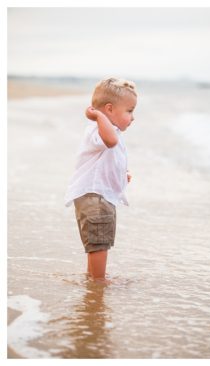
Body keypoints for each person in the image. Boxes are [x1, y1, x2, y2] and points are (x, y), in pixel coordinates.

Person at [64, 77, 137, 282]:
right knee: (99, 243)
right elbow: (110, 142)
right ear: (110, 110)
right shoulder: (100, 129)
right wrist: (97, 116)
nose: (133, 117)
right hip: (94, 196)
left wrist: (122, 175)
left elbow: (108, 158)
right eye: (129, 111)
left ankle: (92, 275)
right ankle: (98, 280)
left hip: (100, 196)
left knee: (98, 241)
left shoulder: (107, 131)